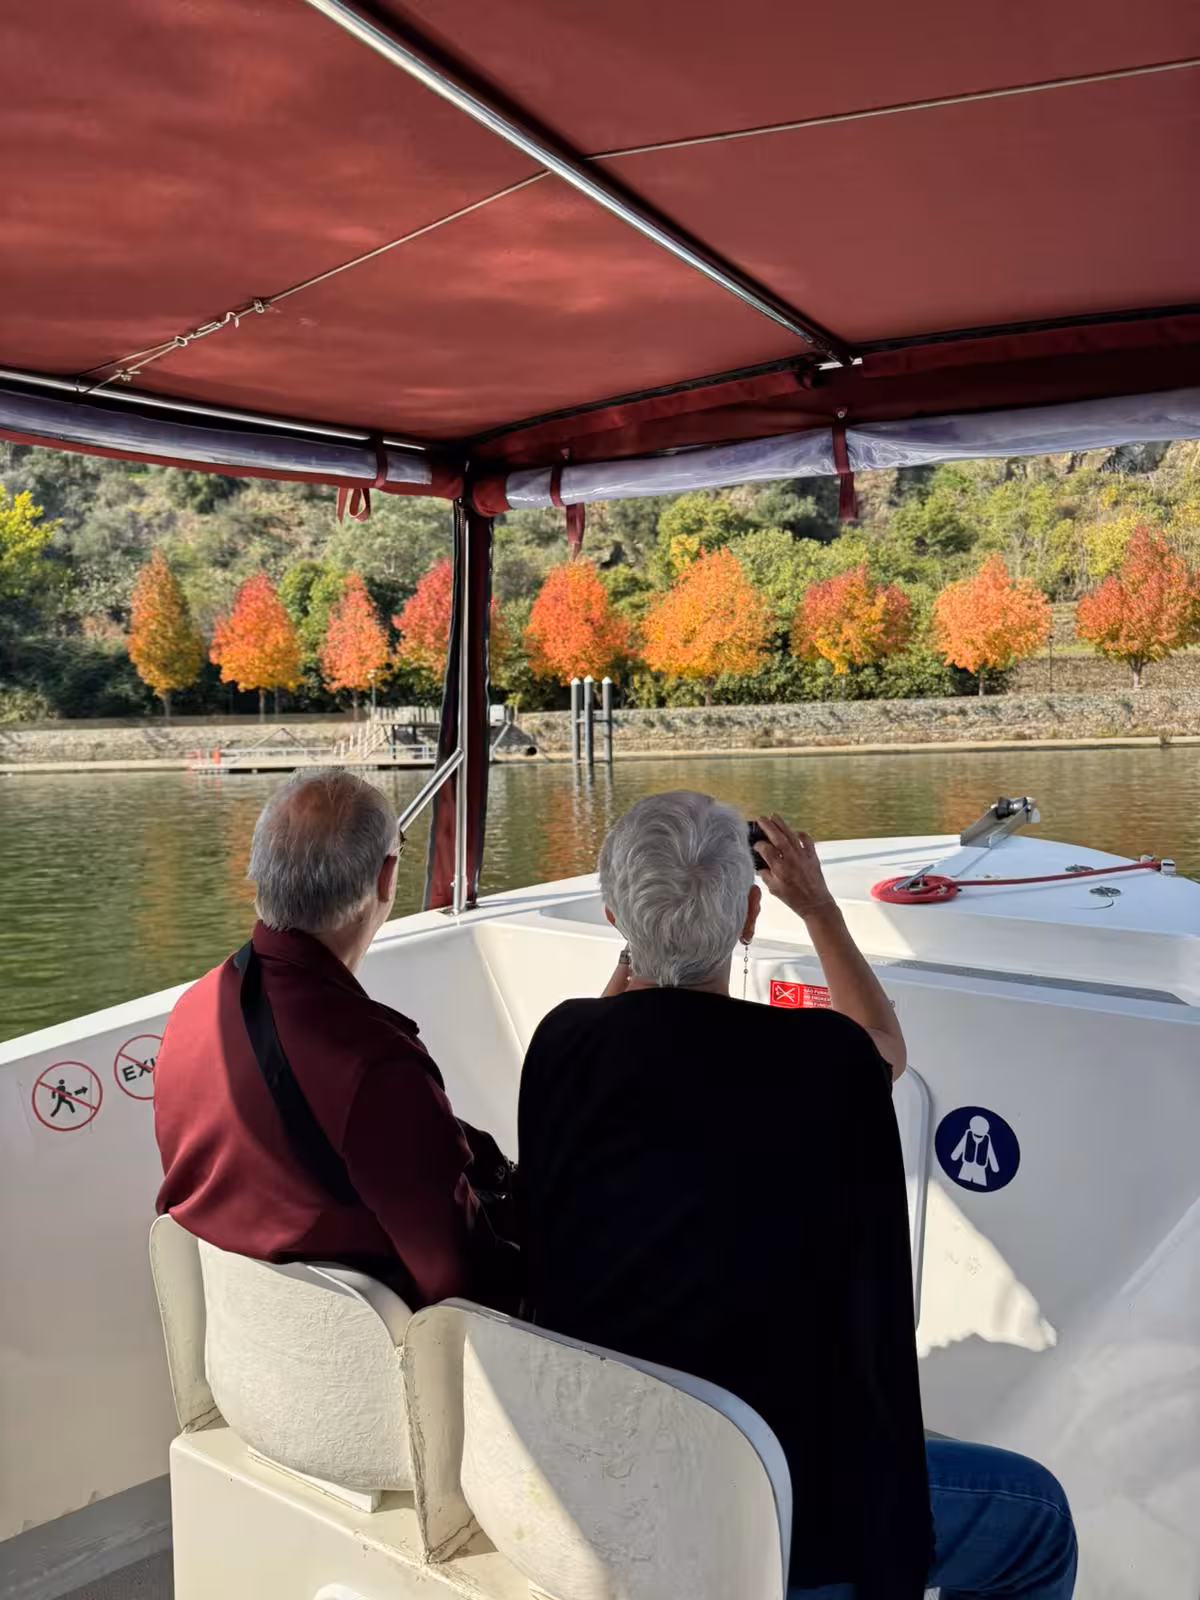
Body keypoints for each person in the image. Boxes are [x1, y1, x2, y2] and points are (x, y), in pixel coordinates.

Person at [518, 791, 1077, 1600]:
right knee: (1039, 1519)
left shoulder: (561, 1045)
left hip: (609, 1470)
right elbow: (885, 1043)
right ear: (750, 914)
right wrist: (817, 910)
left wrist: (646, 938)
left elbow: (611, 1023)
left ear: (612, 919)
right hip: (780, 1500)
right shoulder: (821, 1063)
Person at [155, 768, 517, 1310]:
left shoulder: (193, 1009)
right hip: (375, 1359)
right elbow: (460, 1279)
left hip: (252, 1351)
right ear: (386, 878)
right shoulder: (373, 1063)